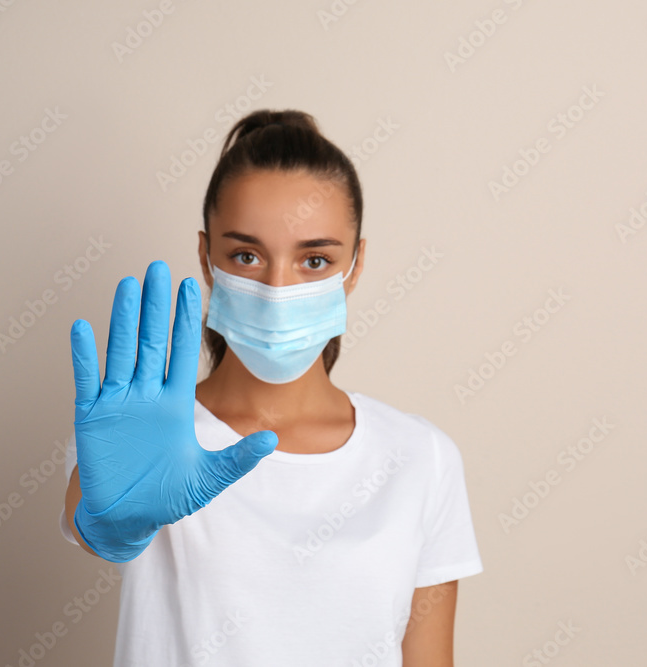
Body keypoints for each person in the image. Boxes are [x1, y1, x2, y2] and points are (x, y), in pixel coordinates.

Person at [60, 109, 483, 666]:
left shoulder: (420, 458)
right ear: (207, 258)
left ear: (353, 266)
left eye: (314, 259)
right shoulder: (145, 430)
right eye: (247, 255)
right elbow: (95, 525)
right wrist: (111, 523)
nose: (278, 287)